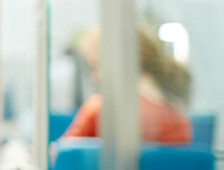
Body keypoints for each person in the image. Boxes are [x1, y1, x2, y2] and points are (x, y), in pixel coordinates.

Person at [60, 24, 192, 144]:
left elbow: (62, 159)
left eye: (96, 66)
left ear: (120, 63)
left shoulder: (99, 109)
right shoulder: (177, 118)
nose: (95, 76)